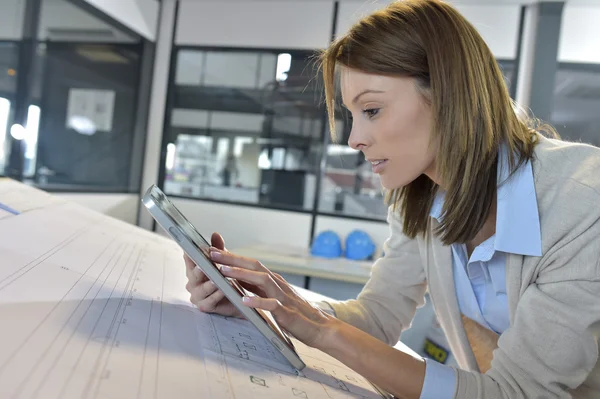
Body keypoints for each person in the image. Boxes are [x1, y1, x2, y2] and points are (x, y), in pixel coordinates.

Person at [183, 1, 600, 398]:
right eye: (352, 114)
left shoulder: (583, 204)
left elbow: (516, 394)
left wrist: (323, 331)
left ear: (447, 93)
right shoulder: (416, 195)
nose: (354, 138)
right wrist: (266, 306)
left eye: (373, 110)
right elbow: (378, 318)